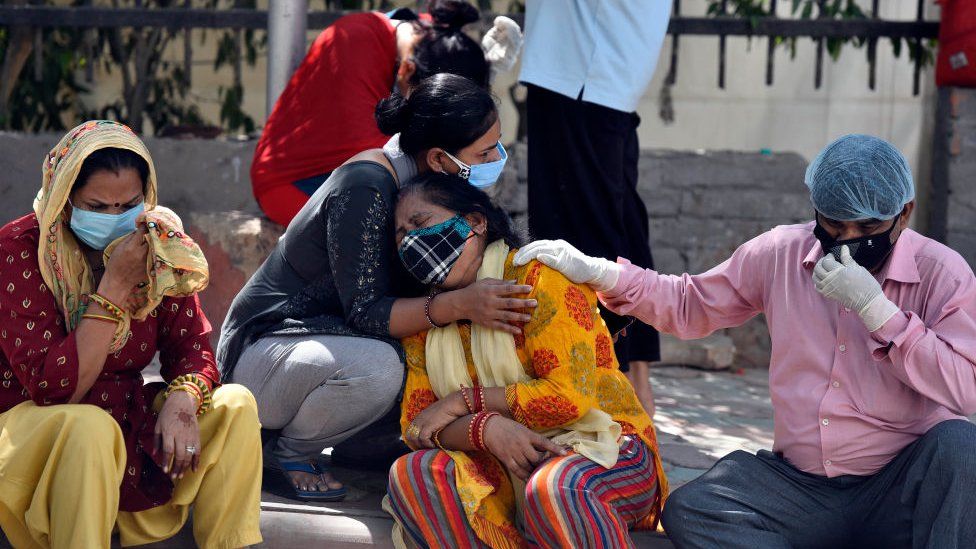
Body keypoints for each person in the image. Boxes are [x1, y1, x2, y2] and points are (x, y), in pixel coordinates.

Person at [514, 134, 976, 548]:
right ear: (815, 208)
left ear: (904, 214)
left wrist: (882, 315)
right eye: (835, 226)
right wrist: (605, 274)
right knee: (692, 511)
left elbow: (965, 389)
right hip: (801, 489)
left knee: (960, 445)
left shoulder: (942, 272)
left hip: (895, 489)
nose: (849, 240)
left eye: (868, 229)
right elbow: (690, 303)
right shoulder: (781, 252)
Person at [218, 74, 535, 502]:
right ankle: (287, 452)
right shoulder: (366, 185)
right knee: (384, 366)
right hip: (269, 353)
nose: (497, 158)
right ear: (440, 159)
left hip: (328, 351)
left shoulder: (429, 187)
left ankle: (360, 446)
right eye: (484, 152)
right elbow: (367, 313)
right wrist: (460, 303)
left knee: (435, 353)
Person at [0, 120, 262, 549]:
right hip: (34, 433)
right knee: (89, 427)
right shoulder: (17, 252)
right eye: (97, 207)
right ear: (65, 201)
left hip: (125, 427)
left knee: (235, 405)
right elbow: (54, 389)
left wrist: (182, 398)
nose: (115, 219)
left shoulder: (157, 243)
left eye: (128, 205)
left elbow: (193, 347)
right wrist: (115, 288)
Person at [385, 173, 669, 548]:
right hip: (499, 465)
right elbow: (418, 427)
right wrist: (486, 429)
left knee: (557, 489)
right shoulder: (429, 317)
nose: (412, 242)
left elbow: (567, 398)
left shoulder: (537, 279)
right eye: (402, 235)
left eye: (420, 224)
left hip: (603, 446)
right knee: (415, 472)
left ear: (475, 222)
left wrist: (464, 404)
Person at [519, 0, 674, 416]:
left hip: (578, 67)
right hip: (604, 69)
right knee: (617, 221)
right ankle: (629, 374)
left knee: (578, 236)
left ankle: (603, 379)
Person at [251, 0, 522, 226]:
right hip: (293, 183)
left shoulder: (434, 35)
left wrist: (482, 74)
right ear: (406, 70)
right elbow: (397, 160)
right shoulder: (353, 42)